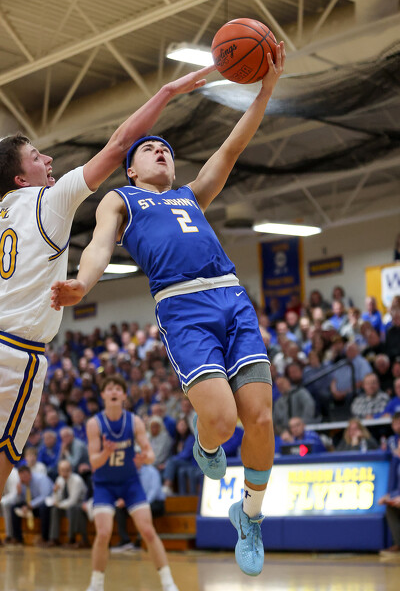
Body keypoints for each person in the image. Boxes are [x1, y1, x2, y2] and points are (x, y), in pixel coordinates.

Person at [51, 43, 286, 577]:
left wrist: (266, 90)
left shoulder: (190, 196)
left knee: (260, 418)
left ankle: (249, 516)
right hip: (182, 309)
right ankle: (206, 444)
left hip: (231, 297)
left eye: (166, 149)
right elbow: (99, 246)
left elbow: (231, 147)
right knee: (221, 421)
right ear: (131, 170)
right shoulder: (122, 200)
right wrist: (83, 282)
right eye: (149, 149)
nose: (160, 151)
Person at [0, 64, 215, 497]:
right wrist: (167, 91)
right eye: (38, 157)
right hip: (15, 353)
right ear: (22, 179)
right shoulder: (47, 201)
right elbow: (118, 146)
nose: (49, 160)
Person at [84, 374, 179, 591]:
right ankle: (96, 585)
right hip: (105, 484)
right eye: (109, 388)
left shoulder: (134, 421)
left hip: (130, 483)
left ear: (124, 395)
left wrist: (145, 457)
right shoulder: (94, 424)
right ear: (103, 395)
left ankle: (168, 583)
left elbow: (151, 455)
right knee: (103, 533)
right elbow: (94, 462)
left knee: (148, 531)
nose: (114, 391)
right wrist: (106, 452)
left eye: (118, 388)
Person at [48, 459, 89, 548]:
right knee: (55, 510)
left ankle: (71, 539)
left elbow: (73, 501)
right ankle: (54, 539)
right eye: (62, 470)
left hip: (80, 505)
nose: (65, 472)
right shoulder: (59, 480)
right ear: (58, 471)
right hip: (66, 505)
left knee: (71, 509)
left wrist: (58, 504)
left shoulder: (77, 480)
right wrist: (55, 492)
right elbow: (57, 501)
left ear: (70, 470)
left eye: (67, 470)